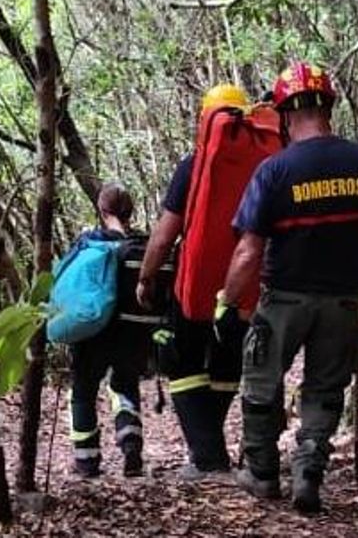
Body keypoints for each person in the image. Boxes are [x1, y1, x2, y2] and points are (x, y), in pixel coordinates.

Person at [216, 61, 358, 512]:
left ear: (284, 113)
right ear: (328, 107)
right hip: (342, 300)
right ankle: (308, 473)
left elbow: (248, 251)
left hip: (283, 298)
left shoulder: (274, 171)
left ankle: (262, 474)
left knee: (261, 383)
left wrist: (227, 300)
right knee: (325, 388)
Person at [136, 83, 255, 480]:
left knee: (181, 360)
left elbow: (165, 234)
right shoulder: (266, 163)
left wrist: (146, 278)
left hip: (197, 282)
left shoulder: (195, 165)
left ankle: (207, 458)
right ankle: (210, 449)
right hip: (247, 283)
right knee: (226, 361)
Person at [68, 182, 156, 478]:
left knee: (83, 392)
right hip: (132, 334)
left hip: (93, 332)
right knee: (125, 385)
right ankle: (131, 445)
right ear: (130, 212)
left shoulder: (88, 243)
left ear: (101, 211)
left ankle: (86, 461)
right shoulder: (144, 246)